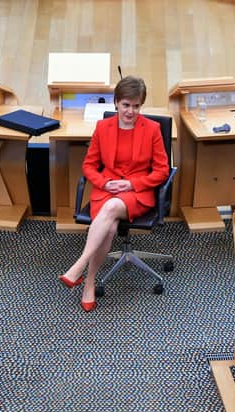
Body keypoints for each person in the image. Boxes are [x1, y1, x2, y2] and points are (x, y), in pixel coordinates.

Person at [59, 76, 169, 312]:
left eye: (136, 106)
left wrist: (130, 184)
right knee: (107, 228)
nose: (131, 111)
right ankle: (88, 283)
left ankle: (79, 266)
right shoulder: (103, 127)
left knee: (109, 210)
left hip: (137, 193)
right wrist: (106, 183)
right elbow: (89, 166)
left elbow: (162, 171)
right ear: (116, 103)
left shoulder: (152, 129)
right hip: (106, 189)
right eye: (126, 105)